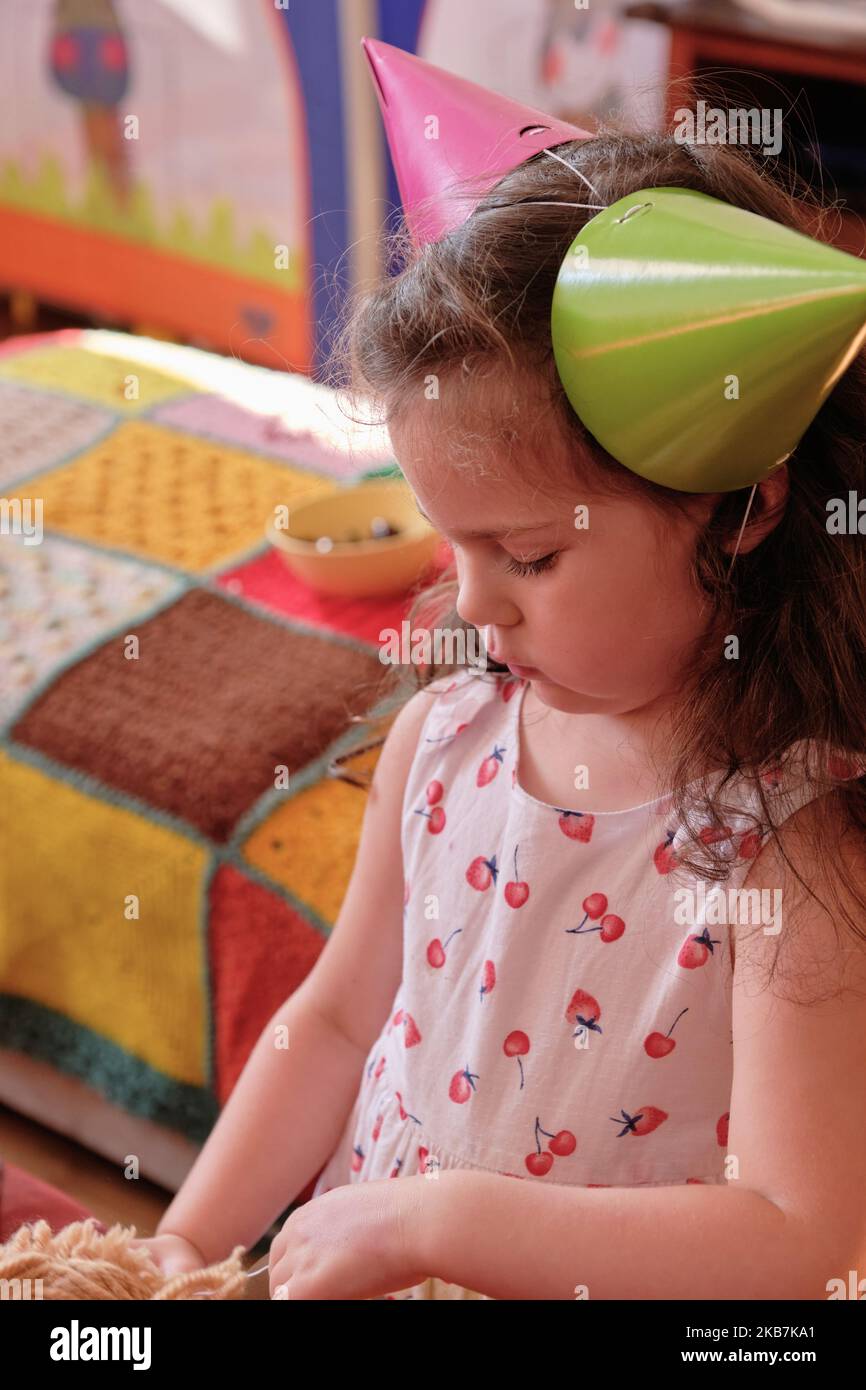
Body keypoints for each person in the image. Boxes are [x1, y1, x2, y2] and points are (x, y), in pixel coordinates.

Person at [133, 76, 866, 1300]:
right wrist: (183, 1246)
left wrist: (443, 1221)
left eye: (528, 555)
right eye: (448, 542)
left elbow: (797, 1235)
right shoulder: (443, 737)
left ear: (740, 507)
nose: (473, 604)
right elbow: (328, 1025)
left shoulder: (788, 853)